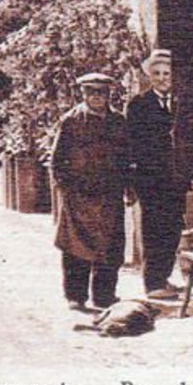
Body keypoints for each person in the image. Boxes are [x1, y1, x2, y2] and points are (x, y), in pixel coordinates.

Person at [45, 72, 128, 312]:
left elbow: (126, 157)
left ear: (108, 94)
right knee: (76, 247)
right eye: (91, 92)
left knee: (110, 248)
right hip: (79, 195)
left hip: (110, 195)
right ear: (83, 94)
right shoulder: (71, 121)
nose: (96, 97)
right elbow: (57, 160)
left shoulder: (118, 122)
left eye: (101, 92)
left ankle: (104, 296)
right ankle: (76, 296)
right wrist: (66, 189)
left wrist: (128, 187)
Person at [126, 49, 186, 299]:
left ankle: (164, 278)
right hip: (151, 180)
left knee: (172, 229)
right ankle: (152, 284)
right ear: (150, 76)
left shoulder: (181, 104)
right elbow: (131, 145)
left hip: (176, 180)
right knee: (154, 230)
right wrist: (133, 181)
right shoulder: (138, 105)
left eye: (167, 74)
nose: (162, 78)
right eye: (157, 74)